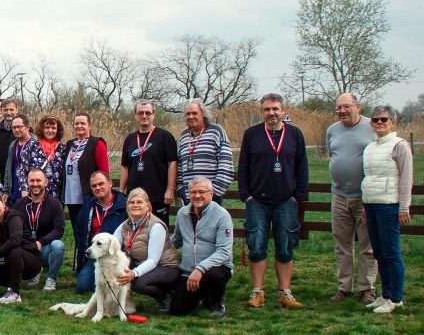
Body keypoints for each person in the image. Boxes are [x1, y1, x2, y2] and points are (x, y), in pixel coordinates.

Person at [239, 93, 308, 309]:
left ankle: (285, 292)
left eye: (275, 109)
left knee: (285, 247)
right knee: (256, 246)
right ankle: (257, 292)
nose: (271, 113)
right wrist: (246, 195)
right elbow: (243, 168)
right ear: (262, 112)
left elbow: (302, 167)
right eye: (267, 109)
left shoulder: (295, 134)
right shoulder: (252, 134)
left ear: (283, 110)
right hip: (257, 200)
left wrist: (298, 196)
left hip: (286, 200)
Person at [360, 105, 413, 314]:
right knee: (379, 253)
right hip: (371, 205)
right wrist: (365, 205)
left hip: (389, 205)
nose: (379, 123)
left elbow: (406, 178)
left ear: (393, 123)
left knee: (391, 253)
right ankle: (385, 294)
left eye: (384, 119)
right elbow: (369, 178)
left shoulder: (399, 146)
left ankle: (396, 298)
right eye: (375, 120)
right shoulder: (370, 147)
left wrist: (403, 207)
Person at [326, 93, 378, 304]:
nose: (342, 111)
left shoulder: (371, 127)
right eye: (338, 108)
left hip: (366, 198)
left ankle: (366, 288)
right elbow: (334, 156)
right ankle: (344, 287)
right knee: (342, 245)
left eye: (346, 107)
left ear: (357, 106)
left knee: (368, 246)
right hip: (339, 196)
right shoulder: (332, 130)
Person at [168, 177, 234, 318]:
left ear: (211, 193)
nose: (197, 196)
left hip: (215, 268)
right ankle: (202, 294)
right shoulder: (182, 214)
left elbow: (224, 252)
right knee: (177, 310)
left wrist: (200, 269)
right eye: (193, 192)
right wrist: (154, 247)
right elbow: (176, 240)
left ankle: (216, 301)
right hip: (188, 271)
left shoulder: (222, 216)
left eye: (202, 192)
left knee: (214, 276)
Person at [113, 188, 181, 312]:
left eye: (139, 202)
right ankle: (118, 301)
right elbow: (112, 244)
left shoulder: (156, 226)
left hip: (166, 266)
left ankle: (165, 297)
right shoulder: (125, 225)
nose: (135, 205)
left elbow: (153, 260)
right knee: (122, 273)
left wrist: (133, 273)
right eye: (131, 202)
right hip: (142, 263)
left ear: (148, 205)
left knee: (138, 283)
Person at [0, 191, 42, 304]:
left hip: (30, 260)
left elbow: (15, 240)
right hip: (6, 261)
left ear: (3, 204)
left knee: (15, 250)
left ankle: (14, 292)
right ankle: (10, 283)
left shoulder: (13, 217)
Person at [119, 101, 178, 222]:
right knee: (136, 232)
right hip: (134, 198)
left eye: (147, 112)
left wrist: (170, 189)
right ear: (135, 115)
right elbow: (125, 166)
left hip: (158, 196)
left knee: (159, 230)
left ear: (153, 114)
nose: (144, 116)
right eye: (140, 113)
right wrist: (121, 191)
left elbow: (173, 162)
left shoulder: (165, 136)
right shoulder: (130, 139)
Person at [73, 171, 127, 294]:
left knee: (116, 284)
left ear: (110, 183)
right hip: (95, 253)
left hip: (116, 255)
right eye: (94, 186)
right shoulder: (88, 206)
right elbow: (79, 230)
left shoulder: (124, 205)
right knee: (82, 287)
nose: (97, 188)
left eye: (101, 184)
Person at [12, 169, 65, 291]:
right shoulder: (19, 204)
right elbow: (14, 227)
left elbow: (59, 229)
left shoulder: (55, 204)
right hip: (26, 248)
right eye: (32, 180)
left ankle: (51, 278)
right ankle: (33, 271)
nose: (35, 184)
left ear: (46, 182)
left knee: (58, 245)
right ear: (27, 182)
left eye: (38, 180)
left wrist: (41, 242)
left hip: (45, 248)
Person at [60, 112, 110, 236]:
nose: (79, 126)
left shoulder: (97, 143)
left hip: (88, 197)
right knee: (77, 232)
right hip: (71, 197)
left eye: (83, 123)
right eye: (76, 123)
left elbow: (104, 172)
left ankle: (89, 255)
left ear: (89, 125)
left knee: (89, 232)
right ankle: (81, 255)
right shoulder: (70, 144)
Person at [176, 100, 234, 204]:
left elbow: (226, 164)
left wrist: (214, 192)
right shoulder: (184, 135)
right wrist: (181, 189)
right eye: (188, 114)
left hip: (211, 197)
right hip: (190, 197)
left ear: (203, 114)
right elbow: (180, 164)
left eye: (194, 113)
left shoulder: (216, 131)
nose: (191, 116)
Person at [1, 114, 35, 204]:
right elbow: (8, 168)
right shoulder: (13, 145)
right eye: (14, 127)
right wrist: (6, 190)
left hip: (30, 193)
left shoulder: (36, 144)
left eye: (19, 127)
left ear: (27, 127)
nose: (16, 130)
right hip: (14, 194)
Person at [0, 99, 19, 183]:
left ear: (16, 110)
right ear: (2, 111)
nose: (9, 112)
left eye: (11, 109)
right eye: (6, 110)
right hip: (1, 176)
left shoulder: (25, 130)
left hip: (18, 175)